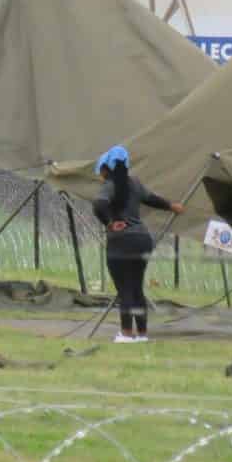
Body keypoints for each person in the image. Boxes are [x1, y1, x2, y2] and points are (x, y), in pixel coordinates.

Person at [93, 145, 182, 343]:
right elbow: (152, 199)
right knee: (136, 288)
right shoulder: (135, 183)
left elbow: (99, 204)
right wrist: (171, 206)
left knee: (124, 289)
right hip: (142, 240)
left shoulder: (110, 183)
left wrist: (110, 223)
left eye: (100, 170)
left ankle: (126, 334)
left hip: (122, 241)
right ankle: (141, 335)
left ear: (106, 168)